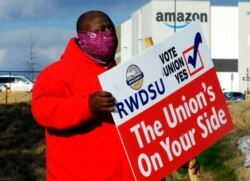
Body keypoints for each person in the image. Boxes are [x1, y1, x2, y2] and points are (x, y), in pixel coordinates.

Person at [32, 10, 200, 181]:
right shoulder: (56, 74)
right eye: (101, 29)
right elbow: (43, 110)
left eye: (111, 27)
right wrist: (88, 105)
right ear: (83, 36)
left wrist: (177, 153)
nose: (108, 33)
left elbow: (150, 127)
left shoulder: (126, 75)